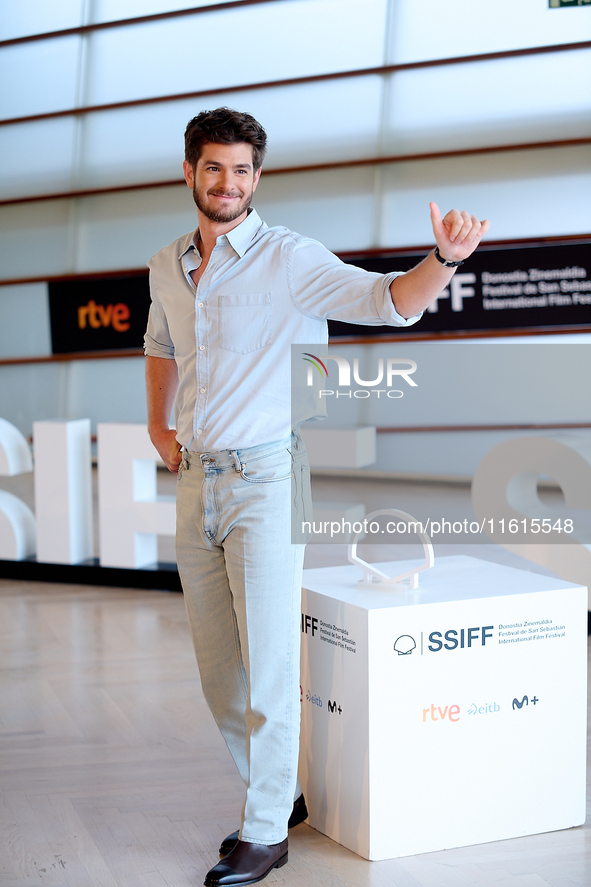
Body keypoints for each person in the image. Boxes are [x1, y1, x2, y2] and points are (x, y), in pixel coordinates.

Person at [144, 107, 490, 887]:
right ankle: (281, 790)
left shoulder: (290, 258)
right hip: (196, 475)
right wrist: (156, 426)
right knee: (218, 670)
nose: (227, 182)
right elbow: (160, 343)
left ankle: (264, 830)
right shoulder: (166, 263)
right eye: (213, 168)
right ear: (190, 174)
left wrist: (443, 257)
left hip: (267, 475)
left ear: (256, 179)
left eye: (241, 170)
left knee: (269, 667)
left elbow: (390, 299)